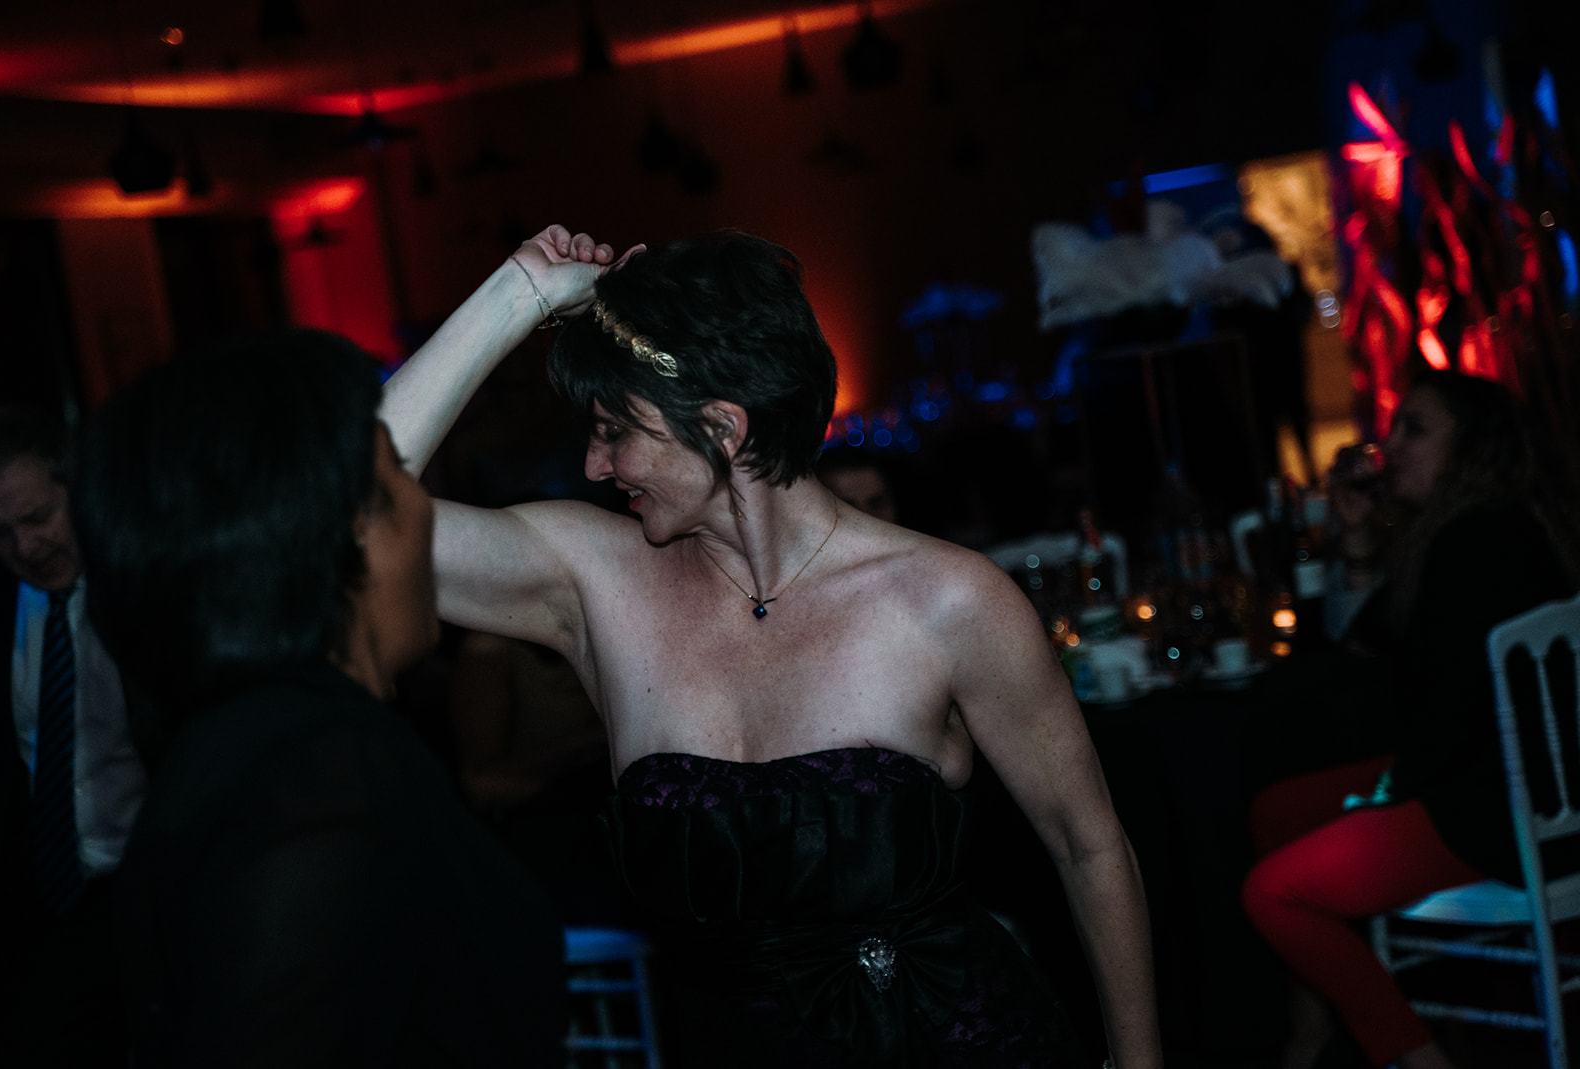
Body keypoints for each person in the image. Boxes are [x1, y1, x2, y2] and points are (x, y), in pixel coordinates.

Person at [381, 225, 1160, 1067]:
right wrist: (518, 292)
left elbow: (1089, 846)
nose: (595, 466)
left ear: (721, 428)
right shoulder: (589, 582)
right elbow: (341, 518)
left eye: (615, 431)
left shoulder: (948, 598)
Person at [72, 332, 564, 1067]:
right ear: (351, 527)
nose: (426, 503)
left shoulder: (253, 744)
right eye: (397, 468)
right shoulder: (320, 774)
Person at [1241, 370, 1580, 1069]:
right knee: (1278, 811)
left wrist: (1385, 798)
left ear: (1471, 447)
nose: (1390, 445)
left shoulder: (1477, 544)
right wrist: (1358, 539)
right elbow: (1365, 642)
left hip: (1490, 811)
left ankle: (1420, 1059)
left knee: (1272, 893)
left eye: (1414, 430)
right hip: (1501, 783)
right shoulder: (1478, 528)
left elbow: (1439, 716)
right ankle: (1316, 1027)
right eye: (1393, 427)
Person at [0, 406, 145, 1066]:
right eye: (0, 533)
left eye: (38, 517)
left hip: (151, 888)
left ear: (78, 490)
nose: (26, 547)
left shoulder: (144, 592)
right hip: (44, 908)